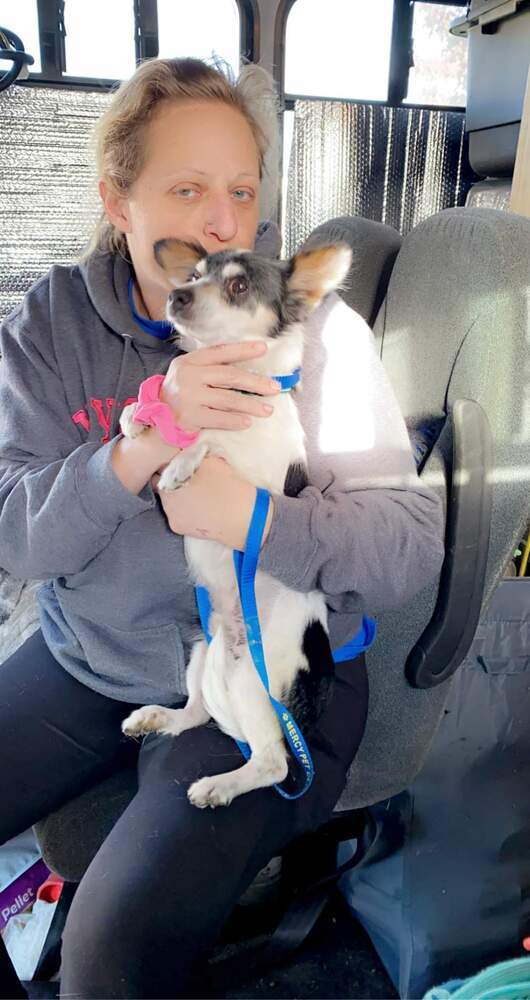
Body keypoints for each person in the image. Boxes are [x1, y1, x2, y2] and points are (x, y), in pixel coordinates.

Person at [0, 57, 445, 998]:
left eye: (241, 191)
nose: (219, 223)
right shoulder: (50, 326)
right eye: (187, 189)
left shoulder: (311, 333)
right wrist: (140, 448)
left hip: (274, 660)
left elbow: (408, 544)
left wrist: (256, 519)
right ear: (119, 202)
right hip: (93, 656)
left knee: (109, 958)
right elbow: (17, 541)